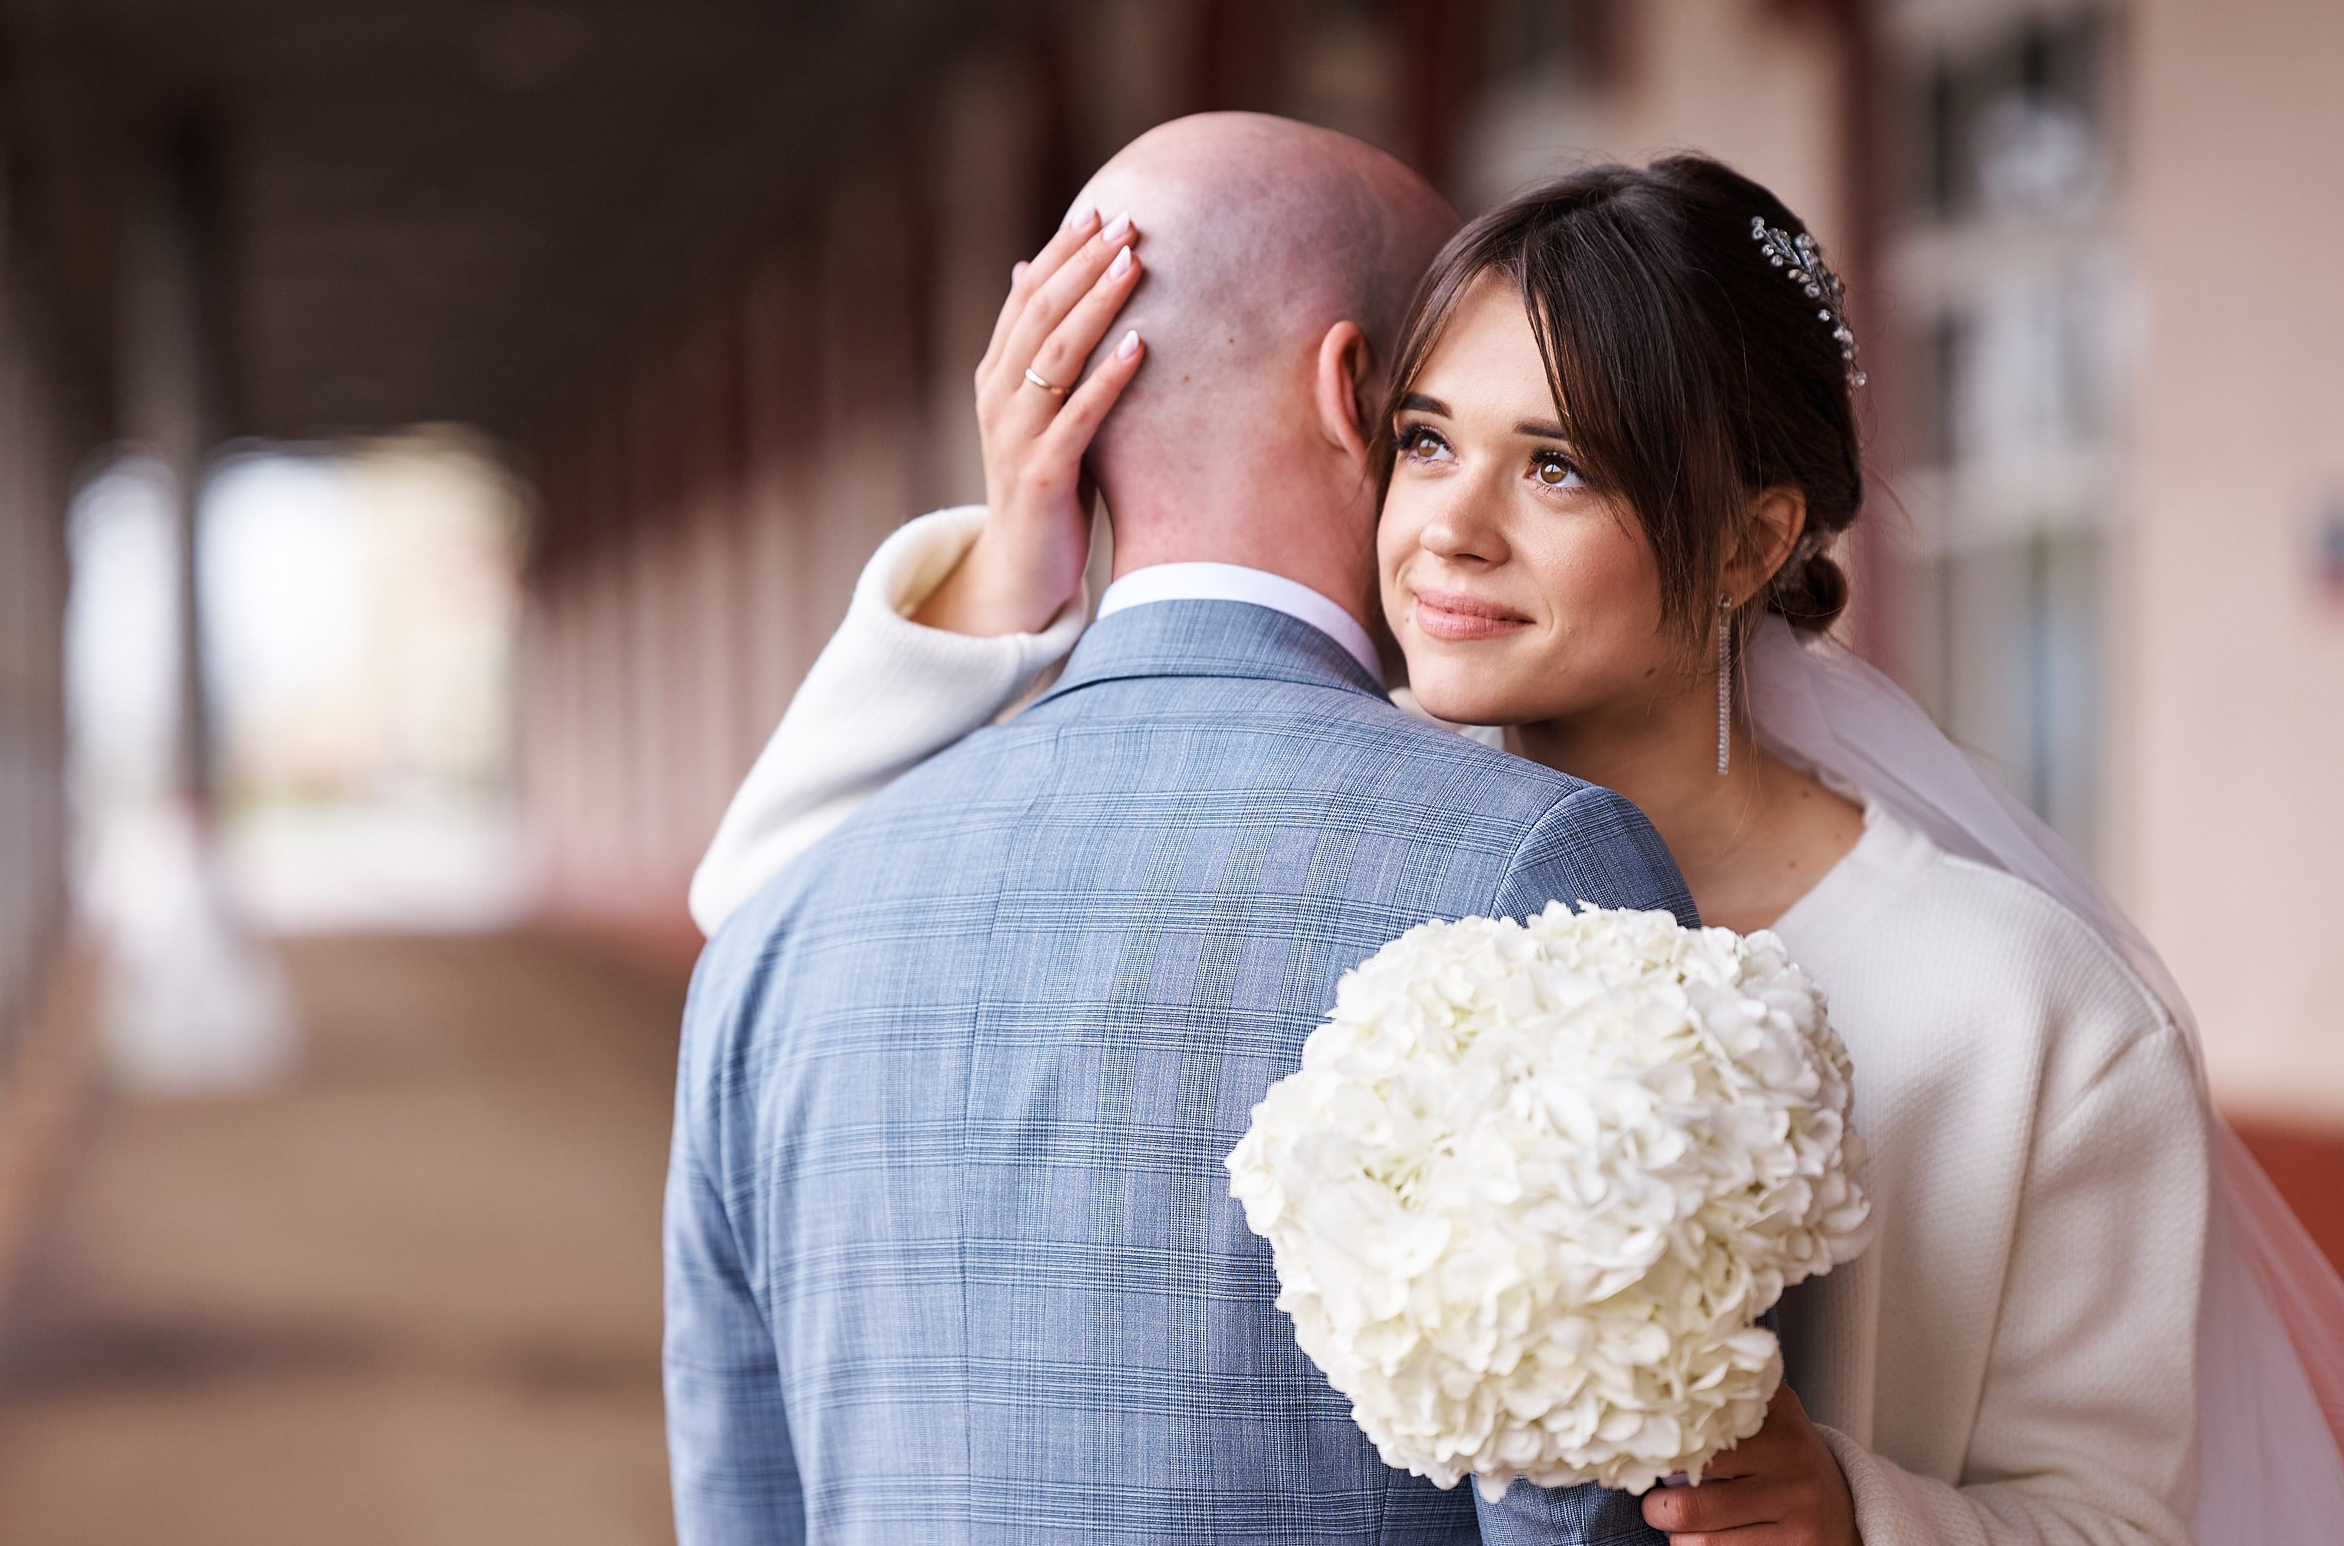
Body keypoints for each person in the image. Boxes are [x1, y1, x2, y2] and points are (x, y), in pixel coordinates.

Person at [697, 146, 2344, 1545]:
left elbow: (2126, 1517)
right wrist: (1013, 568)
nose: (1450, 528)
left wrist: (1861, 1514)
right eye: (1425, 440)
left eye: (1555, 468)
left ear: (1750, 541)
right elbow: (779, 905)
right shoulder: (1369, 871)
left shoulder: (2027, 1012)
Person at [663, 112, 1699, 1545]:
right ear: (1355, 393)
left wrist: (1002, 573)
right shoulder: (1538, 866)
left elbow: (738, 1500)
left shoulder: (773, 935)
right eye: (1429, 422)